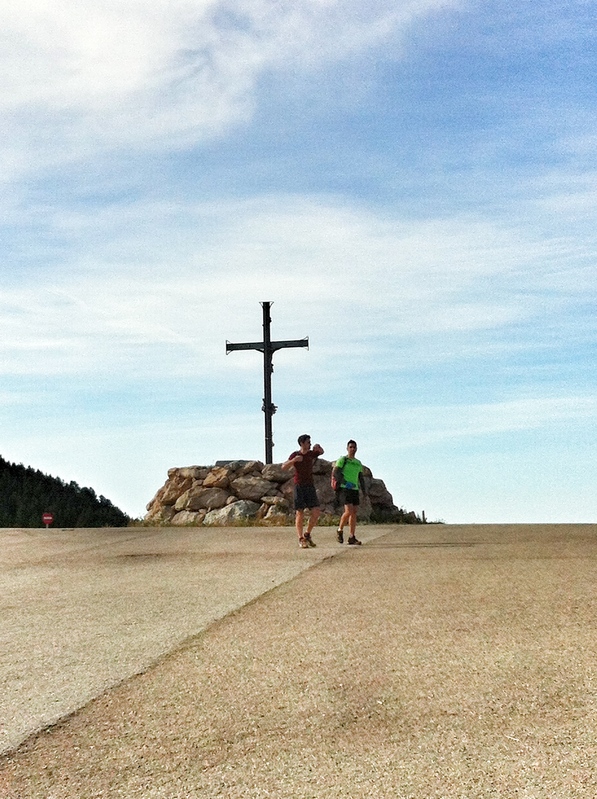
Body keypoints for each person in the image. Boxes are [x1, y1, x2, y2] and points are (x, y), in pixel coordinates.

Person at [282, 434, 324, 548]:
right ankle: (301, 538)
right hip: (299, 485)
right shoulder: (295, 454)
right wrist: (294, 460)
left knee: (316, 511)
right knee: (299, 512)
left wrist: (318, 447)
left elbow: (321, 452)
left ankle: (307, 534)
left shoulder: (311, 454)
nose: (310, 444)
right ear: (302, 443)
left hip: (310, 485)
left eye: (310, 442)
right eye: (308, 442)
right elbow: (284, 467)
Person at [333, 439, 366, 545]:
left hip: (354, 489)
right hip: (344, 488)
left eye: (354, 447)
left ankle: (352, 536)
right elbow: (336, 473)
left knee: (354, 512)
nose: (352, 449)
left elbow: (361, 477)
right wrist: (345, 482)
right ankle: (340, 530)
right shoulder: (343, 460)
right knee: (348, 511)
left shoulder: (358, 463)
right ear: (347, 448)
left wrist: (364, 491)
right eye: (350, 447)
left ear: (356, 449)